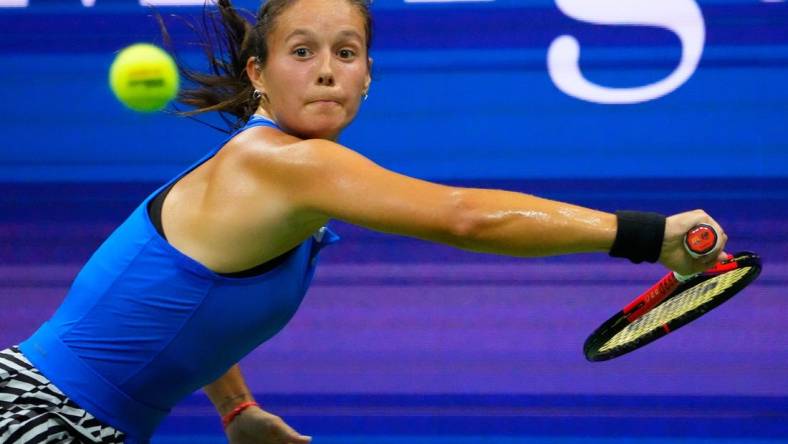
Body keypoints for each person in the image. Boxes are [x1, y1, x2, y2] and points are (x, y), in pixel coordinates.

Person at [0, 0, 729, 442]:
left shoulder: (273, 177)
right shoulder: (286, 166)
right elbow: (465, 217)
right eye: (302, 51)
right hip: (40, 420)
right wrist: (647, 235)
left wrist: (236, 409)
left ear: (368, 75)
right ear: (258, 72)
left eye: (345, 53)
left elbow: (178, 308)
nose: (326, 69)